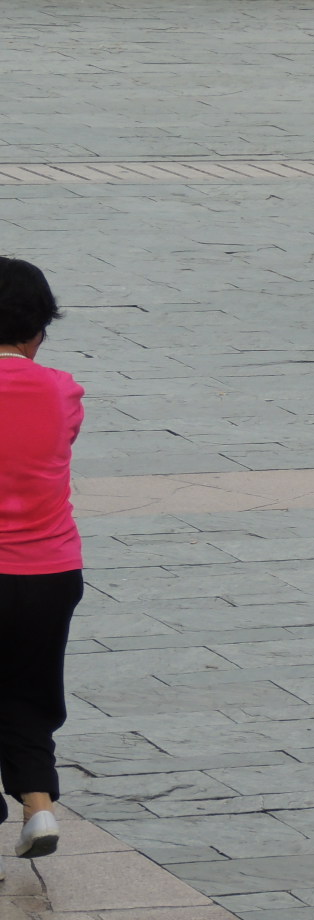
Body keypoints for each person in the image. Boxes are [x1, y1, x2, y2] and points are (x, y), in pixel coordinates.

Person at [0, 258, 84, 873]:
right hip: (52, 571)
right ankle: (38, 803)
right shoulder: (61, 389)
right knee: (31, 689)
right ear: (39, 330)